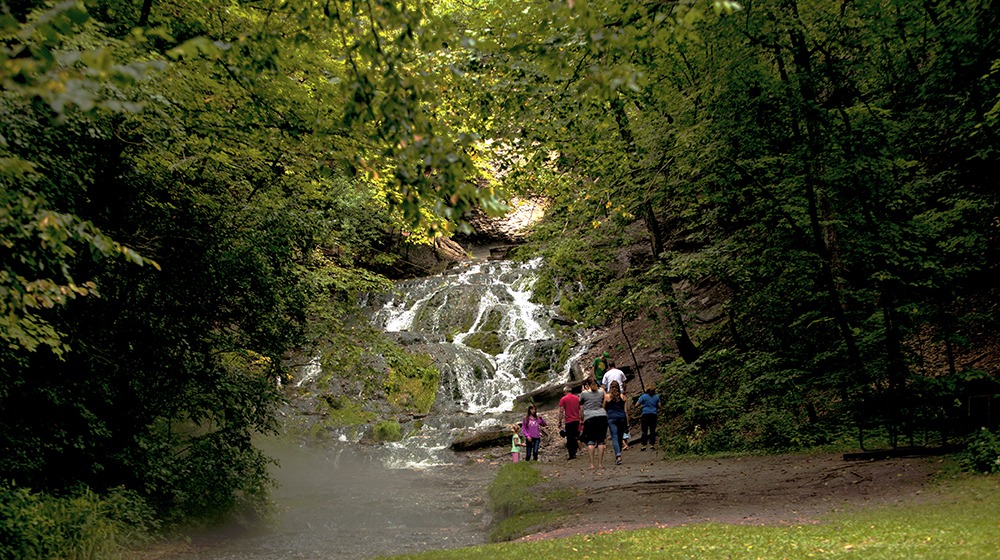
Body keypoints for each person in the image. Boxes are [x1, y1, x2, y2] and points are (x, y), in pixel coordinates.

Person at [579, 377, 608, 470]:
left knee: (590, 441)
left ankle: (592, 464)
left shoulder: (584, 393)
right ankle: (600, 464)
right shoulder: (600, 392)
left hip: (590, 418)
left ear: (587, 385)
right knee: (601, 441)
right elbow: (604, 399)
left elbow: (580, 404)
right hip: (602, 416)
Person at [604, 380, 629, 465]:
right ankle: (619, 454)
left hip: (612, 418)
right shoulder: (623, 397)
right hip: (622, 418)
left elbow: (603, 408)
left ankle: (618, 455)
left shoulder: (607, 397)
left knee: (614, 436)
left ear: (610, 387)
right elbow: (626, 411)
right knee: (620, 437)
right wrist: (627, 422)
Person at [557, 384, 581, 460]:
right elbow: (581, 409)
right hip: (576, 420)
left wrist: (560, 421)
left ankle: (572, 454)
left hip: (569, 421)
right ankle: (575, 451)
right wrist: (582, 419)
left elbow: (561, 411)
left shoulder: (563, 399)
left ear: (565, 392)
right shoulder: (577, 398)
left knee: (570, 437)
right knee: (575, 436)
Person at [637, 386, 661, 451]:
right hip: (653, 414)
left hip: (645, 414)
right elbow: (659, 406)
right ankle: (652, 444)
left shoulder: (643, 396)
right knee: (652, 429)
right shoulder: (656, 397)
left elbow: (637, 404)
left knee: (644, 430)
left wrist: (643, 405)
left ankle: (644, 445)